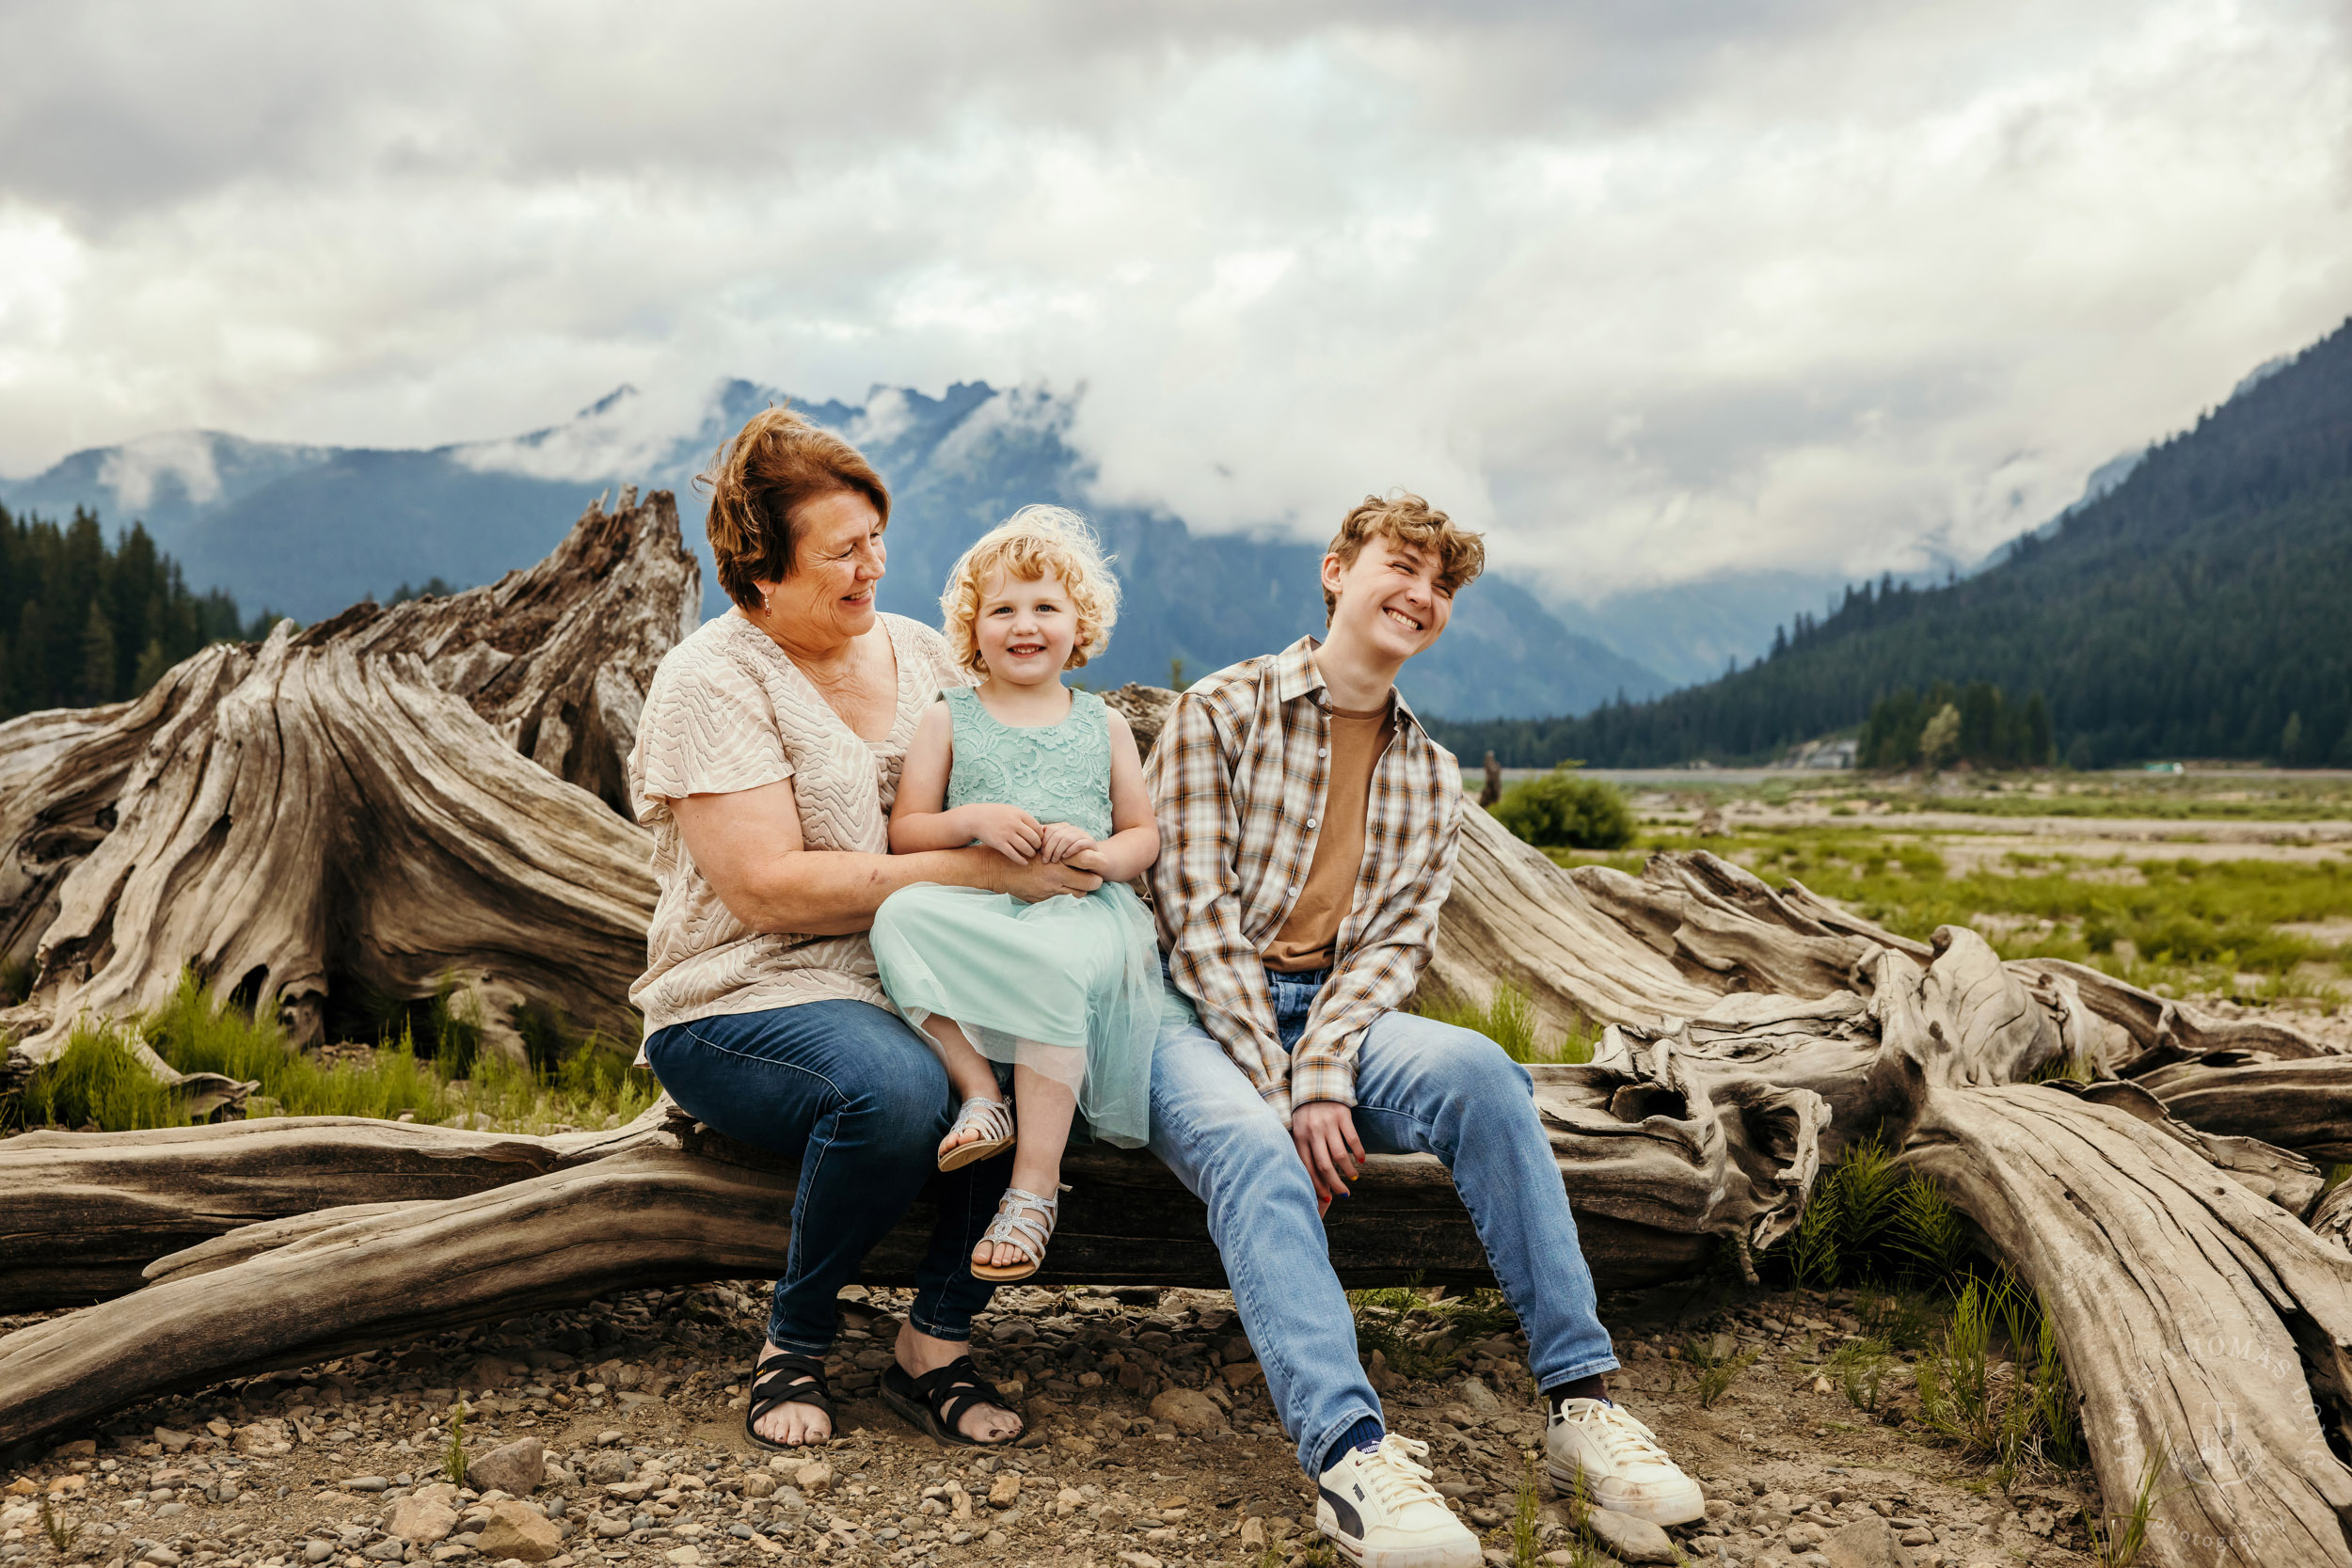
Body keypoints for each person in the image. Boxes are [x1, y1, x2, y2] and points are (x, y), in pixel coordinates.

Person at [1144, 494, 1706, 1568]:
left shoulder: (1429, 772)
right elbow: (1195, 921)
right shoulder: (1219, 710)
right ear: (1335, 570)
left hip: (1335, 1014)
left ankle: (1580, 1405)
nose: (1421, 595)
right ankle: (1351, 1458)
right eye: (1401, 567)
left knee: (1483, 1073)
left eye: (1441, 585)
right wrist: (1282, 1088)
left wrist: (1323, 1074)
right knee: (1258, 1148)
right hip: (1193, 1013)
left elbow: (1393, 953)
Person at [627, 406, 1103, 1453]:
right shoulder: (711, 678)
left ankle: (934, 1338)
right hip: (744, 992)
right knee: (894, 1093)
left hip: (920, 971)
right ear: (761, 568)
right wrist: (979, 869)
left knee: (1038, 1052)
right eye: (843, 551)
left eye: (877, 538)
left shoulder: (925, 651)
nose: (873, 566)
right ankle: (792, 1339)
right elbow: (770, 892)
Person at [869, 507, 1161, 1285]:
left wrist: (1097, 853)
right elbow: (907, 834)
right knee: (898, 913)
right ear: (973, 627)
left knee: (1051, 964)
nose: (1023, 625)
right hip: (981, 906)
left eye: (1044, 607)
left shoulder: (1102, 724)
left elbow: (1144, 837)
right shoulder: (949, 717)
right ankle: (977, 1091)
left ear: (1079, 624)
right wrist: (972, 819)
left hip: (1081, 914)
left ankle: (1033, 1186)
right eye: (1001, 609)